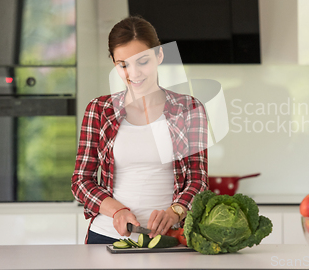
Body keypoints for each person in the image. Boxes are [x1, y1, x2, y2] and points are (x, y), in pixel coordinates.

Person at [71, 16, 208, 244]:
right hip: (107, 236)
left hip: (170, 238)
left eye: (142, 61)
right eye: (123, 65)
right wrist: (117, 211)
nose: (133, 74)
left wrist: (175, 212)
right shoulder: (99, 110)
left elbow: (198, 180)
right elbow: (81, 181)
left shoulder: (190, 108)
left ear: (159, 56)